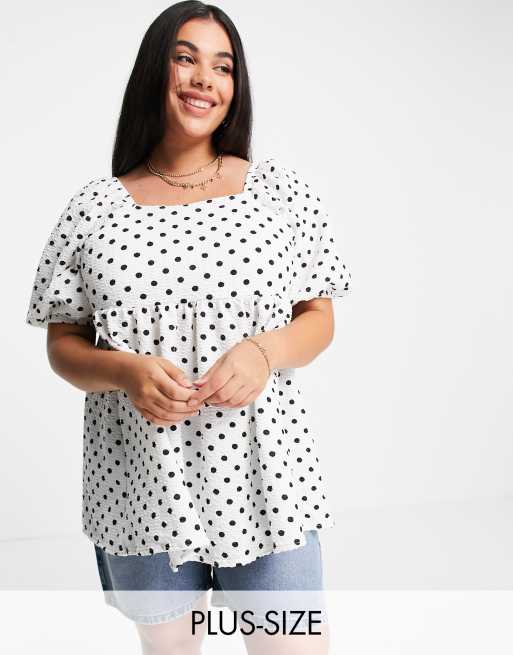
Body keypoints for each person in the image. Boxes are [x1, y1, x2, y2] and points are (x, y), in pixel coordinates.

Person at [25, 2, 352, 653]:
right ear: (155, 69)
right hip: (142, 481)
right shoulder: (94, 208)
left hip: (265, 478)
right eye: (185, 58)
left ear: (235, 87)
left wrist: (264, 351)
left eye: (222, 66)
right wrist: (124, 371)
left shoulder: (277, 193)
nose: (204, 78)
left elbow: (318, 318)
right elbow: (63, 344)